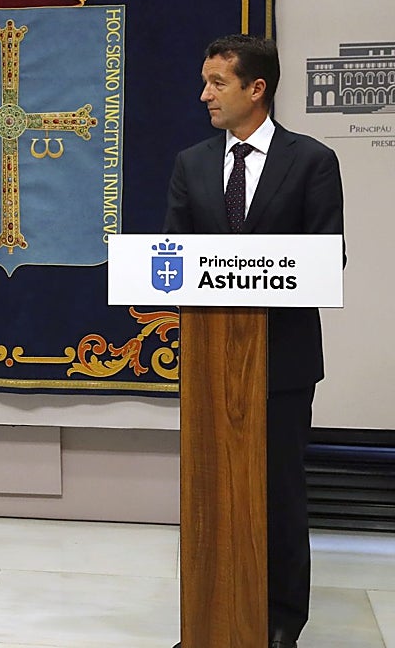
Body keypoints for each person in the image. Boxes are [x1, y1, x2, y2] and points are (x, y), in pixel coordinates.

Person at [163, 34, 345, 648]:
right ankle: (209, 616)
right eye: (205, 81)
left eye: (218, 83)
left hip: (283, 363)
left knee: (279, 497)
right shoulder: (190, 163)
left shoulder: (312, 161)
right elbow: (175, 257)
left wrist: (251, 269)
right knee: (210, 490)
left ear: (255, 88)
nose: (204, 94)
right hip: (209, 364)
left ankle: (278, 623)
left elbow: (327, 257)